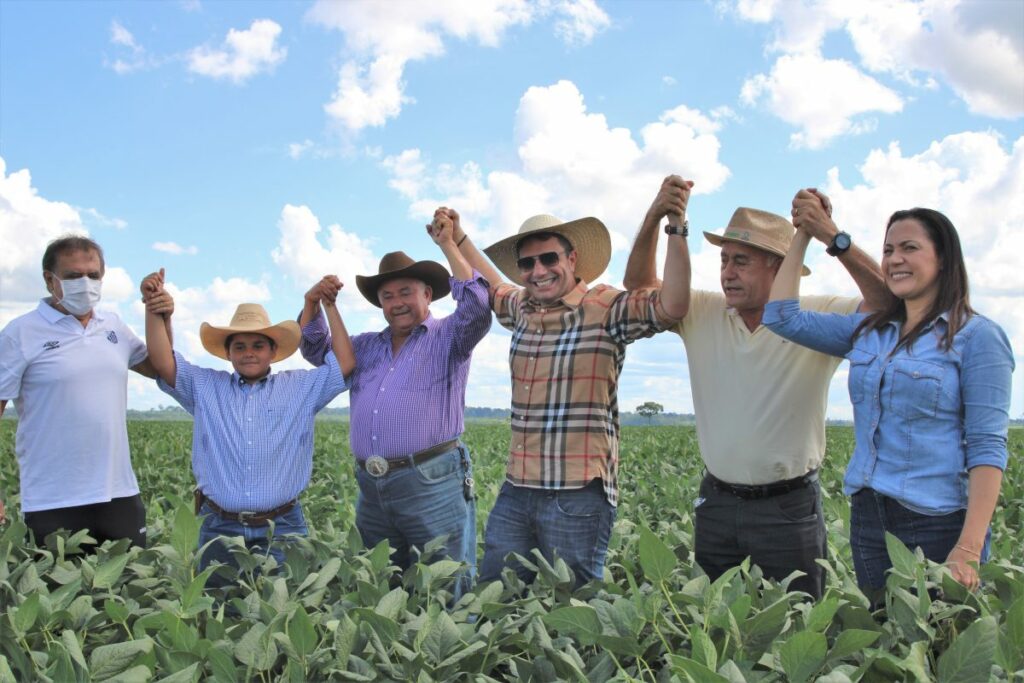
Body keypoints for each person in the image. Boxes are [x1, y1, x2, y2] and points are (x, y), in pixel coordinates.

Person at [623, 181, 890, 598]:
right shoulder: (704, 310)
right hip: (717, 503)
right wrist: (658, 217)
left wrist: (831, 236)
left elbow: (888, 304)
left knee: (796, 628)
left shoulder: (816, 314)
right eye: (725, 260)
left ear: (778, 268)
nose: (727, 272)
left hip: (788, 507)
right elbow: (639, 288)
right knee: (715, 625)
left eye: (741, 262)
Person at [450, 182, 691, 588]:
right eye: (527, 264)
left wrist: (674, 226)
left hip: (576, 492)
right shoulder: (522, 309)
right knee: (498, 594)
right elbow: (492, 286)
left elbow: (672, 305)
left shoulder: (606, 308)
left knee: (573, 606)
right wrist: (457, 238)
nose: (538, 271)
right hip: (517, 488)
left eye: (549, 258)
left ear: (572, 258)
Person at [764, 206, 1014, 597]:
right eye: (888, 250)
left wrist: (967, 547)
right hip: (869, 516)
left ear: (944, 258)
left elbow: (987, 447)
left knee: (937, 648)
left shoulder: (977, 337)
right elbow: (781, 317)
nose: (895, 259)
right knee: (883, 638)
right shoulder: (871, 331)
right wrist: (804, 233)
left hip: (937, 522)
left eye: (909, 248)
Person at [298, 210, 490, 599]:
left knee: (445, 584)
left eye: (406, 292)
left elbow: (477, 306)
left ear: (428, 294)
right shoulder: (367, 345)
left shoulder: (449, 336)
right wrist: (313, 303)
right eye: (388, 296)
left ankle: (447, 655)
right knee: (379, 582)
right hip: (373, 486)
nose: (397, 302)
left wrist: (449, 245)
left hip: (432, 481)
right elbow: (316, 349)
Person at [141, 269, 354, 574]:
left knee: (283, 611)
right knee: (219, 609)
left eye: (258, 346)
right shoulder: (206, 386)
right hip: (219, 525)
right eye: (239, 346)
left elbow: (344, 363)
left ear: (273, 351)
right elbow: (163, 362)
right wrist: (153, 309)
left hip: (282, 525)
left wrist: (326, 304)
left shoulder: (299, 387)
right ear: (228, 354)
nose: (249, 353)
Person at [0, 235, 160, 548]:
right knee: (56, 592)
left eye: (93, 275)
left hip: (119, 493)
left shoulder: (112, 326)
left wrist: (158, 313)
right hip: (53, 498)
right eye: (73, 276)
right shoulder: (20, 333)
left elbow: (157, 368)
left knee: (130, 591)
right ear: (50, 279)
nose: (85, 283)